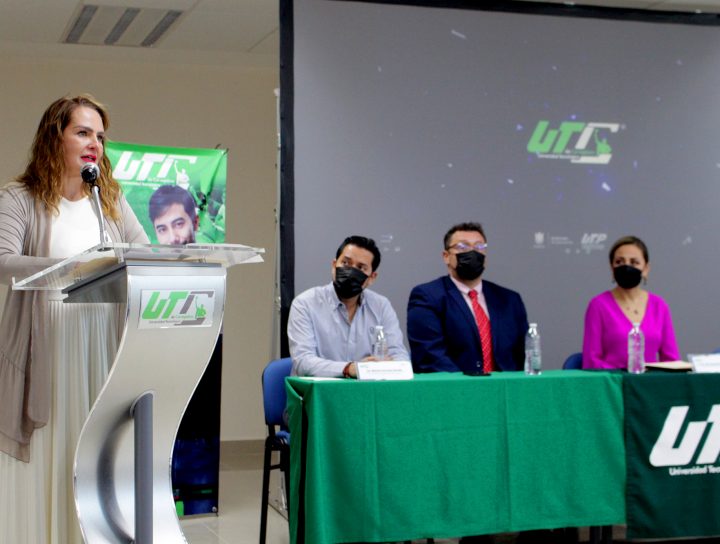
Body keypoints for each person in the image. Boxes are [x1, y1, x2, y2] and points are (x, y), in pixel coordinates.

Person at [0, 94, 149, 544]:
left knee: (95, 453)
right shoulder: (20, 197)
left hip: (102, 345)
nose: (94, 144)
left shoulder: (110, 201)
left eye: (100, 136)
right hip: (47, 346)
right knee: (56, 450)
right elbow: (3, 260)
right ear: (55, 136)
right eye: (83, 132)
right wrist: (71, 268)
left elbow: (144, 254)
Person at [407, 222, 528, 374]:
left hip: (505, 385)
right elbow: (430, 355)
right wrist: (469, 384)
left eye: (479, 247)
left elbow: (523, 354)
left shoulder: (509, 300)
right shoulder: (428, 296)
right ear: (446, 256)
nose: (472, 253)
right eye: (462, 247)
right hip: (455, 385)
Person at [288, 235, 409, 378]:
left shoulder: (381, 306)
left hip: (366, 389)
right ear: (334, 265)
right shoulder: (305, 303)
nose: (351, 272)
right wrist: (349, 369)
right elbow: (303, 362)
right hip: (319, 390)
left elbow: (400, 357)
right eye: (345, 263)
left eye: (361, 268)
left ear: (372, 278)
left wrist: (388, 367)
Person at [582, 235, 680, 370]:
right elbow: (591, 361)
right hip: (614, 381)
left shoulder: (659, 306)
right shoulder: (598, 306)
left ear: (646, 269)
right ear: (612, 268)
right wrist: (622, 375)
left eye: (634, 262)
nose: (626, 267)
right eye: (619, 262)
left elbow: (672, 361)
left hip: (651, 381)